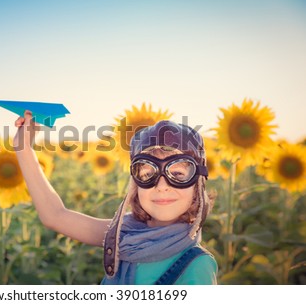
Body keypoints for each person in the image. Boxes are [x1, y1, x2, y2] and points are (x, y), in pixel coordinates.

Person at [13, 110, 217, 285]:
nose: (162, 186)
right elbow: (55, 216)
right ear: (135, 186)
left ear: (198, 183)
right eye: (147, 174)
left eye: (178, 174)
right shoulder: (123, 234)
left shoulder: (197, 266)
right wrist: (23, 147)